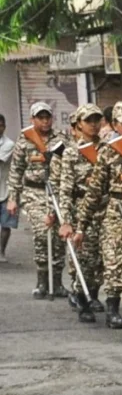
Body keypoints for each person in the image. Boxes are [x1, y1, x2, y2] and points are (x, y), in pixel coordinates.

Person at [79, 101, 122, 339]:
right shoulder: (107, 151)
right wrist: (82, 224)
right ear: (115, 124)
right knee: (113, 261)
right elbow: (95, 190)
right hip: (115, 211)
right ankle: (112, 308)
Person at [6, 101, 67, 298]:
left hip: (56, 192)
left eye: (47, 117)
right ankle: (42, 280)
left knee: (58, 237)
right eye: (40, 117)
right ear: (33, 119)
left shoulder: (61, 139)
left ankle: (56, 282)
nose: (45, 121)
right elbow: (16, 171)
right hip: (34, 193)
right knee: (42, 232)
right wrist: (13, 198)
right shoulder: (24, 141)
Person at [54, 103, 107, 323]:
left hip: (105, 210)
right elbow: (65, 190)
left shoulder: (108, 149)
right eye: (89, 121)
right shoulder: (71, 154)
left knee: (102, 261)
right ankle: (82, 298)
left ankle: (93, 294)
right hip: (80, 211)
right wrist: (66, 221)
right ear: (78, 125)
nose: (94, 125)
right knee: (85, 259)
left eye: (97, 120)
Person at [0, 114, 16, 262]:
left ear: (4, 127)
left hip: (5, 189)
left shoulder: (8, 144)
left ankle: (1, 251)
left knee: (6, 223)